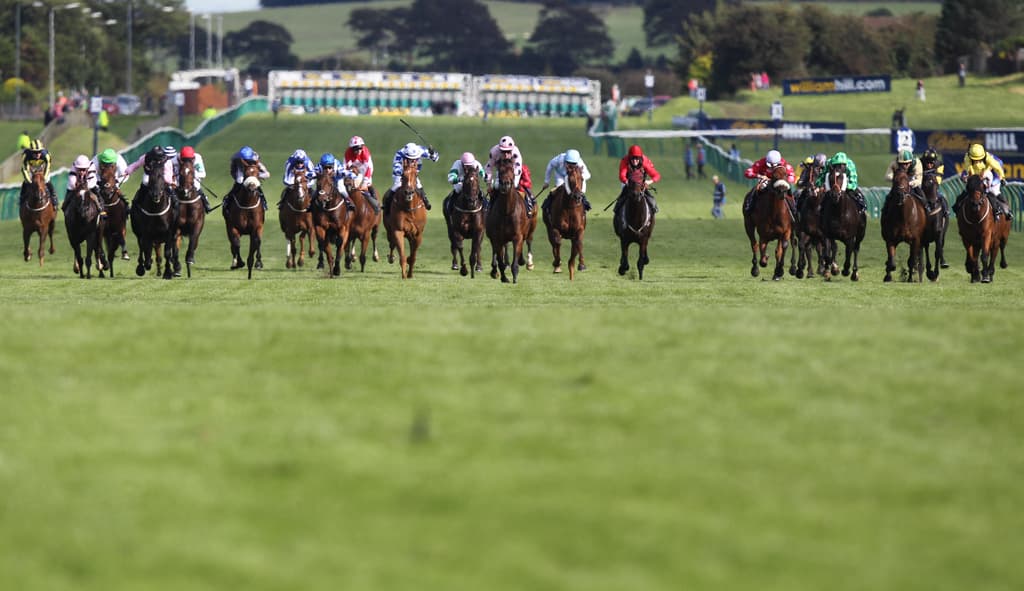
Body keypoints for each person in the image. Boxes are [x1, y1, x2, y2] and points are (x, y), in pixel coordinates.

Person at [955, 143, 1011, 220]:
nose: (977, 162)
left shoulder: (989, 158)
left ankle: (1005, 211)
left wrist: (1002, 178)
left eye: (979, 159)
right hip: (976, 174)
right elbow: (969, 169)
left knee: (993, 192)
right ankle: (957, 208)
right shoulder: (967, 158)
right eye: (974, 160)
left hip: (989, 173)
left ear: (983, 156)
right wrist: (971, 179)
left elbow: (998, 168)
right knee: (967, 191)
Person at [383, 142, 438, 214]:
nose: (413, 160)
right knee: (397, 185)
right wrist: (406, 173)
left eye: (415, 158)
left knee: (419, 185)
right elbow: (396, 168)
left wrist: (432, 153)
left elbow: (435, 158)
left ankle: (425, 200)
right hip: (401, 175)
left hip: (413, 174)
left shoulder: (420, 150)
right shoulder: (399, 154)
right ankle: (387, 204)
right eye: (410, 158)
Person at [743, 149, 797, 220]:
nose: (771, 167)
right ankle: (749, 207)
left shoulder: (785, 164)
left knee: (788, 192)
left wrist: (784, 181)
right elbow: (748, 172)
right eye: (769, 165)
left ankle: (794, 210)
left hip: (779, 184)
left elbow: (792, 177)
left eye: (773, 165)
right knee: (757, 189)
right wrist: (759, 176)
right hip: (765, 183)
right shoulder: (761, 162)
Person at [484, 135, 532, 214]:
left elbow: (518, 169)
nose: (506, 155)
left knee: (516, 185)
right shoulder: (494, 152)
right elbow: (488, 167)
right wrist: (489, 183)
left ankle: (528, 206)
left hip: (513, 172)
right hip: (501, 172)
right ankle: (490, 207)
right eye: (503, 152)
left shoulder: (516, 152)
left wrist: (510, 178)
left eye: (508, 152)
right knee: (496, 186)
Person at [540, 148, 592, 214]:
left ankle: (584, 202)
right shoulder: (559, 159)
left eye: (573, 163)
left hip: (573, 177)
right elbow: (550, 166)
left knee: (579, 187)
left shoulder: (580, 163)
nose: (571, 165)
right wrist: (546, 181)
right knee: (558, 189)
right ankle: (548, 204)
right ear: (565, 160)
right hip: (560, 175)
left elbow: (588, 175)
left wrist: (576, 178)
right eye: (568, 163)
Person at [614, 144, 661, 215]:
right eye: (632, 158)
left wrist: (649, 182)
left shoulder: (645, 162)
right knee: (621, 199)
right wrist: (627, 182)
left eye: (636, 158)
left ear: (640, 158)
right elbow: (622, 175)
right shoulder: (625, 161)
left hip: (641, 183)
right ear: (629, 158)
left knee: (651, 199)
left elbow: (656, 175)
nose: (634, 161)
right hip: (627, 182)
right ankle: (618, 213)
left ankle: (653, 209)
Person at [885, 148, 931, 212]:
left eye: (907, 163)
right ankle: (885, 211)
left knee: (921, 194)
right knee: (889, 197)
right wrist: (897, 180)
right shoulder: (894, 163)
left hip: (912, 180)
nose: (905, 166)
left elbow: (919, 180)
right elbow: (887, 176)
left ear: (911, 162)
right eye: (902, 163)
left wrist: (908, 183)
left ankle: (927, 208)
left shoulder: (917, 163)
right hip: (899, 181)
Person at [227, 145, 270, 212]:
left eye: (247, 159)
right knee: (238, 183)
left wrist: (255, 175)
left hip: (253, 176)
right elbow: (235, 174)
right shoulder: (237, 160)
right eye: (244, 159)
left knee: (258, 189)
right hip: (241, 175)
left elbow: (267, 174)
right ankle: (227, 202)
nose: (245, 160)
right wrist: (244, 177)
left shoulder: (255, 159)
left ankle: (264, 203)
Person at [19, 138, 58, 212]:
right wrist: (29, 181)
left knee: (48, 182)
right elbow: (24, 169)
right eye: (35, 152)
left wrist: (44, 178)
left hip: (42, 168)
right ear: (31, 152)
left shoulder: (46, 155)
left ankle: (54, 200)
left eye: (39, 152)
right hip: (31, 169)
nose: (37, 154)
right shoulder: (26, 155)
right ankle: (21, 200)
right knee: (25, 183)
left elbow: (48, 167)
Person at [444, 151, 487, 218]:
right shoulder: (457, 164)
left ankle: (486, 208)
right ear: (462, 163)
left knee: (479, 191)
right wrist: (461, 179)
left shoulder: (476, 164)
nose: (467, 168)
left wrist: (486, 178)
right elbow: (450, 179)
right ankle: (450, 210)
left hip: (472, 184)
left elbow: (483, 174)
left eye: (469, 166)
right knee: (457, 190)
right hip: (460, 184)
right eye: (466, 166)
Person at [343, 135, 379, 213]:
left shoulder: (365, 153)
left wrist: (365, 182)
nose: (359, 150)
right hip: (353, 169)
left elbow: (369, 168)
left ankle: (375, 203)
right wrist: (351, 174)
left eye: (360, 148)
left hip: (364, 169)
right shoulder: (348, 152)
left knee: (368, 185)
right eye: (356, 149)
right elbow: (346, 167)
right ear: (352, 149)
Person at [174, 146, 214, 212]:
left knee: (197, 186)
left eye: (189, 160)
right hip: (180, 180)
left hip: (193, 180)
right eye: (184, 160)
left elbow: (203, 174)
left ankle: (205, 202)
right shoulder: (175, 159)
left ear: (193, 158)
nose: (187, 162)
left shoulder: (198, 158)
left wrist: (190, 174)